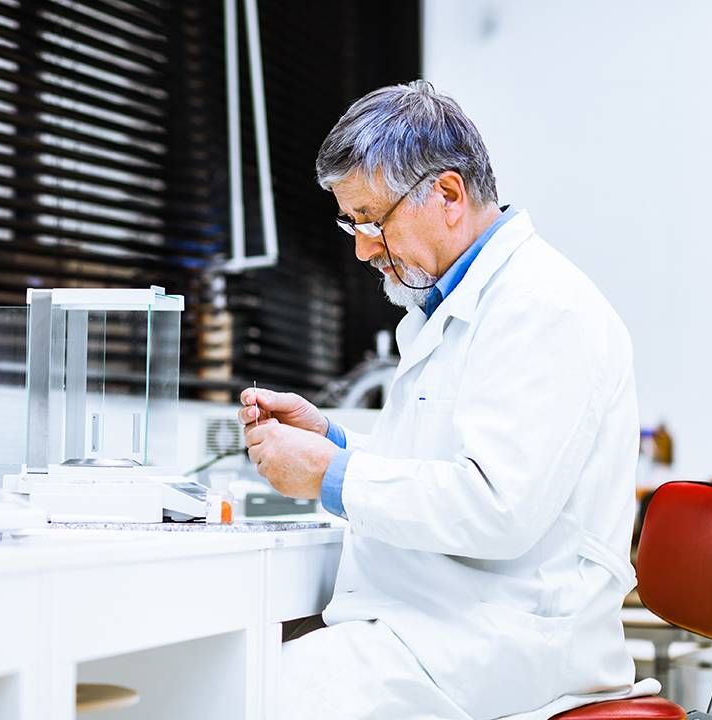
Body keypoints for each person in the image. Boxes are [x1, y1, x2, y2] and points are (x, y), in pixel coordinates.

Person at [241, 81, 646, 719]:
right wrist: (335, 442)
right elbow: (445, 463)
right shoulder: (457, 307)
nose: (362, 247)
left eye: (372, 220)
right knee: (246, 666)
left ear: (449, 194)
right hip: (447, 621)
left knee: (254, 695)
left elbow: (496, 507)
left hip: (509, 640)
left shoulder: (543, 306)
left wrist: (329, 475)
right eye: (350, 222)